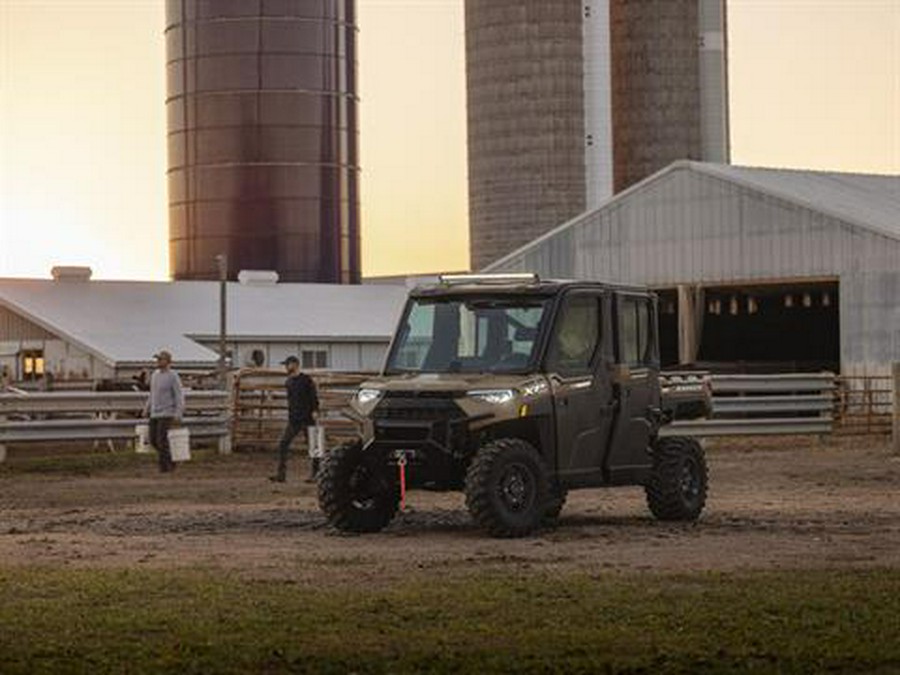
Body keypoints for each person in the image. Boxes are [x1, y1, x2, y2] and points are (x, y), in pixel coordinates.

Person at [271, 355, 319, 483]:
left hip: (308, 418)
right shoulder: (289, 382)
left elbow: (313, 396)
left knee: (315, 447)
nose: (286, 367)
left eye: (288, 364)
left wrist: (315, 410)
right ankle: (281, 475)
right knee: (283, 444)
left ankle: (316, 474)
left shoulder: (306, 380)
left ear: (295, 365)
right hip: (294, 419)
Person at [143, 350, 185, 473]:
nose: (158, 362)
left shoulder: (173, 376)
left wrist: (178, 413)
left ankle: (164, 467)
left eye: (161, 359)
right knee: (153, 440)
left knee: (161, 440)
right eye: (158, 359)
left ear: (167, 361)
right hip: (155, 412)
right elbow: (152, 394)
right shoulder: (155, 375)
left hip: (167, 412)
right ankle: (171, 461)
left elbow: (178, 395)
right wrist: (147, 408)